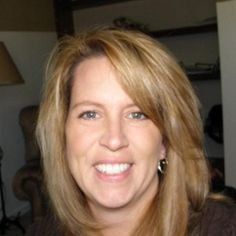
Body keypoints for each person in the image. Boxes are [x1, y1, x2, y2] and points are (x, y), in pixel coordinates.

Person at [26, 27, 236, 236]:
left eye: (138, 114)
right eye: (90, 114)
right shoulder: (41, 232)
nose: (114, 140)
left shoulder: (222, 228)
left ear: (165, 142)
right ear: (62, 135)